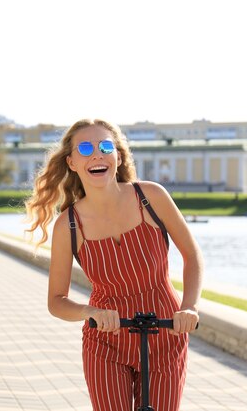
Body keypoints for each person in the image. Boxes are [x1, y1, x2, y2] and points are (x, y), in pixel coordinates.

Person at [25, 118, 203, 411]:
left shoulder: (152, 197)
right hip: (106, 340)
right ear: (72, 162)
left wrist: (190, 307)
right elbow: (56, 301)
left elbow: (193, 256)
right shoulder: (68, 225)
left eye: (105, 146)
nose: (97, 154)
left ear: (117, 157)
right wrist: (89, 311)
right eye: (85, 148)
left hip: (166, 334)